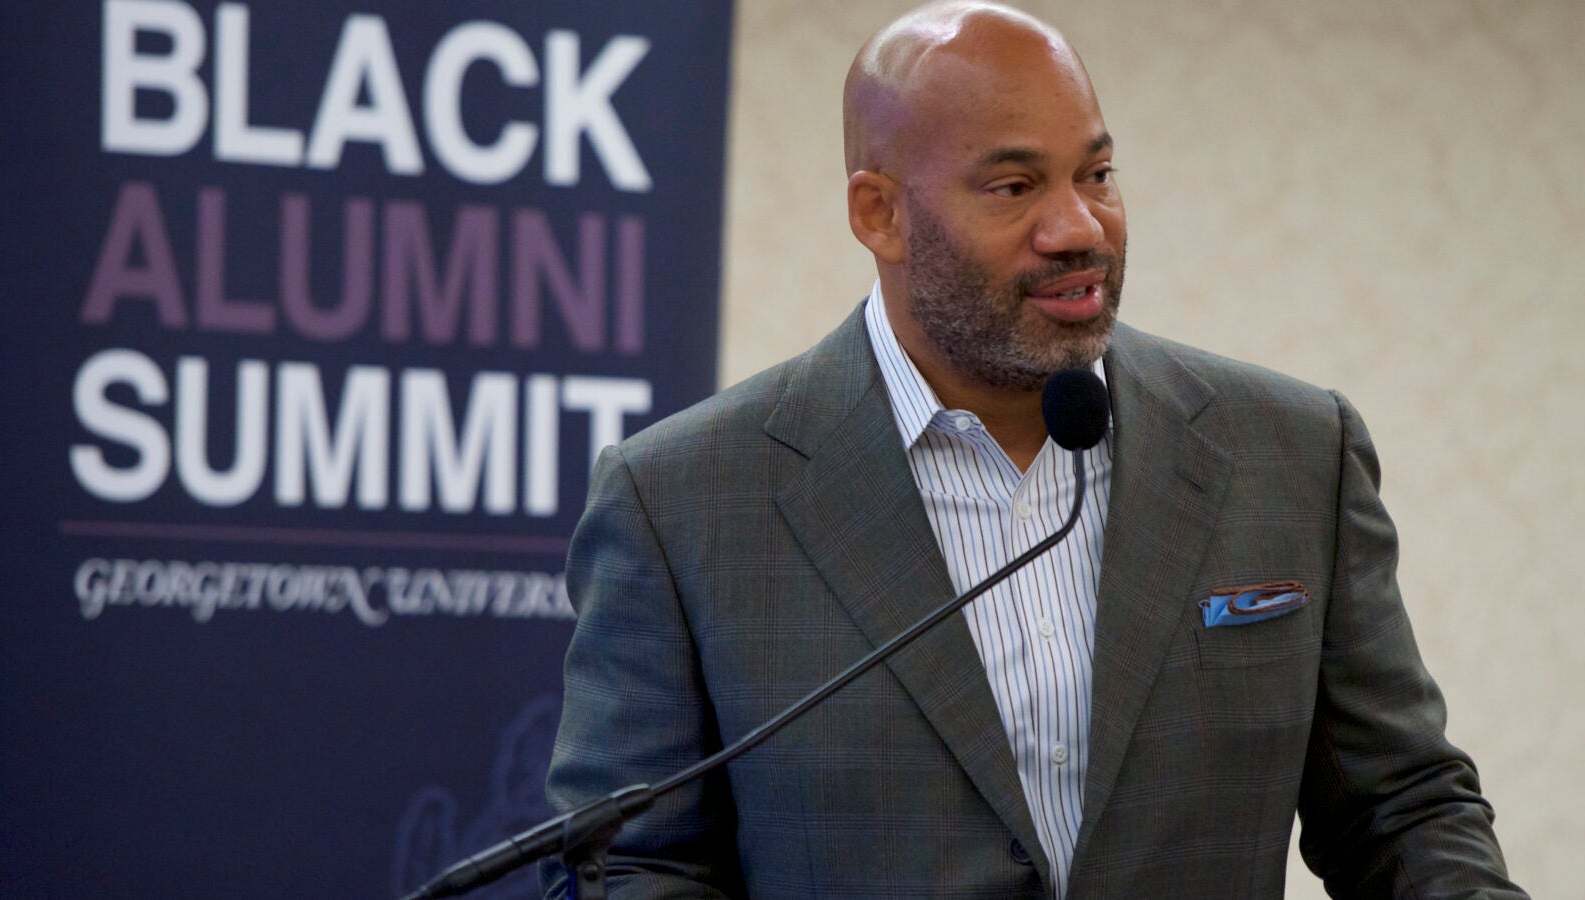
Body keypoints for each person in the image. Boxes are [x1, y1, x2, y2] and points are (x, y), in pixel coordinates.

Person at [542, 2, 1525, 897]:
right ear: (879, 214)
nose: (1078, 227)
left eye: (1096, 175)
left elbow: (1402, 814)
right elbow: (628, 866)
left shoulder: (1291, 454)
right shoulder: (682, 500)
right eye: (1013, 186)